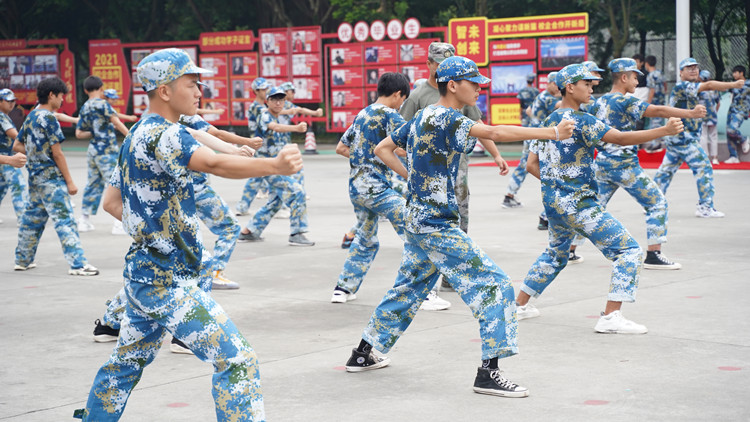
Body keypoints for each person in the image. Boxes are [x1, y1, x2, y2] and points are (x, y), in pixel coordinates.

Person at [75, 48, 303, 422]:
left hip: (144, 274)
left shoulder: (137, 134)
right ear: (164, 90)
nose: (199, 90)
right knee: (237, 359)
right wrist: (273, 166)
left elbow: (111, 201)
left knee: (126, 364)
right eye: (191, 83)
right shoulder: (165, 134)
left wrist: (151, 230)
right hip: (166, 280)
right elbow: (211, 162)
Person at [344, 56, 576, 398]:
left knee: (409, 287)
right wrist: (552, 132)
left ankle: (363, 353)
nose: (479, 88)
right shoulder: (445, 117)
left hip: (417, 217)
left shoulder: (423, 115)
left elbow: (383, 149)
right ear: (452, 85)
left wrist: (415, 180)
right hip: (435, 223)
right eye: (474, 82)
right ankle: (489, 373)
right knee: (496, 285)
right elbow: (494, 132)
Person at [515, 63, 684, 333]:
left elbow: (531, 164)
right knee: (628, 251)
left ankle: (520, 306)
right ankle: (610, 317)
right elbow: (620, 138)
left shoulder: (549, 120)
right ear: (570, 87)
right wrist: (663, 131)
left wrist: (557, 186)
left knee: (555, 255)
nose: (593, 88)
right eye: (587, 84)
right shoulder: (582, 121)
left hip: (554, 205)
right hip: (580, 205)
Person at [568, 58, 706, 272]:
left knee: (591, 209)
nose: (637, 82)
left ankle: (569, 250)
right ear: (624, 77)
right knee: (657, 203)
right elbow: (658, 111)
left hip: (602, 164)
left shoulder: (600, 102)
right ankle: (654, 254)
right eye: (634, 77)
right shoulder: (624, 101)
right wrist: (691, 114)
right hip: (624, 166)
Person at [398, 41, 499, 307]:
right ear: (430, 64)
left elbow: (481, 127)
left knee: (459, 218)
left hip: (458, 171)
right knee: (431, 230)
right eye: (440, 62)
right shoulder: (419, 96)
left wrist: (497, 155)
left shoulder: (464, 96)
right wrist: (415, 165)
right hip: (430, 178)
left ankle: (449, 277)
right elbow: (398, 137)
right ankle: (429, 286)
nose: (444, 66)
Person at [330, 72, 411, 303]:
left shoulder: (362, 114)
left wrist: (367, 159)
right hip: (379, 190)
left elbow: (341, 147)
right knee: (413, 232)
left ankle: (343, 289)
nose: (401, 104)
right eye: (402, 99)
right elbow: (409, 146)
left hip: (356, 188)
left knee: (365, 239)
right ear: (397, 94)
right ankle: (420, 293)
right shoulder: (390, 116)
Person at [12, 77, 99, 276]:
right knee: (65, 220)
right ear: (51, 95)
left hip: (35, 177)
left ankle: (22, 260)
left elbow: (16, 145)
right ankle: (78, 264)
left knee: (32, 220)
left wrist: (35, 153)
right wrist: (70, 182)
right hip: (51, 179)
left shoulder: (32, 116)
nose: (62, 101)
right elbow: (58, 153)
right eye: (61, 97)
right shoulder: (49, 118)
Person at [653, 58, 745, 217]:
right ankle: (705, 207)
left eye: (695, 67)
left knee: (665, 172)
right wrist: (734, 84)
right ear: (681, 73)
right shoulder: (683, 86)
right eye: (688, 68)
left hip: (677, 138)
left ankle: (652, 203)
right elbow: (709, 85)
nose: (693, 70)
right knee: (704, 167)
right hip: (684, 139)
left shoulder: (690, 88)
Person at [237, 86, 313, 246]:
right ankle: (297, 233)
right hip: (268, 167)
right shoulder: (264, 115)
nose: (278, 103)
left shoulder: (277, 116)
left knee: (275, 202)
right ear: (268, 101)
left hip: (277, 167)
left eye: (281, 100)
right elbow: (274, 127)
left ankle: (249, 231)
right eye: (274, 99)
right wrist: (296, 128)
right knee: (297, 192)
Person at [75, 75, 131, 234]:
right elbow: (117, 122)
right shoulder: (103, 105)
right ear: (101, 88)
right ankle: (118, 223)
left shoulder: (85, 107)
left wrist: (95, 133)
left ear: (85, 90)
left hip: (93, 150)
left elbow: (79, 133)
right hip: (106, 150)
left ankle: (84, 220)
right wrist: (131, 138)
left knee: (93, 184)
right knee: (116, 184)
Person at [527, 71, 561, 231]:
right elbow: (562, 105)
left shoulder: (542, 96)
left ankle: (545, 216)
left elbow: (528, 110)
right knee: (549, 175)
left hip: (540, 137)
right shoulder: (547, 97)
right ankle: (510, 195)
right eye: (557, 84)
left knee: (552, 177)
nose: (559, 88)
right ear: (551, 84)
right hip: (540, 139)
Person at [235, 77, 272, 216]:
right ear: (256, 91)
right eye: (263, 89)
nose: (265, 91)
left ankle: (244, 206)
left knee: (266, 175)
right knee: (258, 176)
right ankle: (242, 206)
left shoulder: (261, 106)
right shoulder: (257, 108)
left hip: (264, 144)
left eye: (266, 88)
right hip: (260, 145)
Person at [503, 73, 539, 208]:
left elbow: (522, 106)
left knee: (525, 163)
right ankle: (509, 195)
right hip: (536, 130)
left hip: (527, 126)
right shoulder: (537, 93)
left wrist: (521, 117)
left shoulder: (522, 91)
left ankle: (510, 194)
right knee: (526, 163)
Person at [0, 88, 28, 223]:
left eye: (13, 101)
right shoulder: (1, 116)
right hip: (5, 157)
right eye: (8, 101)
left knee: (2, 186)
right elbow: (13, 134)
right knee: (18, 184)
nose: (12, 104)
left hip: (3, 158)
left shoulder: (5, 116)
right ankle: (23, 218)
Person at [724, 65, 750, 163]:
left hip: (741, 111)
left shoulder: (748, 84)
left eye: (735, 72)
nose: (733, 74)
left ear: (741, 73)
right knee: (728, 132)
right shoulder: (733, 84)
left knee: (732, 130)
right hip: (732, 110)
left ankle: (743, 139)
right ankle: (733, 156)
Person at [643, 55, 667, 152]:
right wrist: (664, 93)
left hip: (655, 101)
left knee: (655, 122)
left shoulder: (650, 76)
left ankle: (655, 144)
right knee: (660, 121)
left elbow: (651, 90)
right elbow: (665, 85)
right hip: (661, 99)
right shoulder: (660, 73)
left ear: (647, 64)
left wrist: (648, 103)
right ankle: (659, 141)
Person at [698, 70, 721, 165]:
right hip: (713, 116)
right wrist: (714, 112)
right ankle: (715, 158)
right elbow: (718, 103)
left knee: (703, 136)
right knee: (713, 137)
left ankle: (705, 158)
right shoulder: (714, 89)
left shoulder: (699, 89)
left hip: (701, 116)